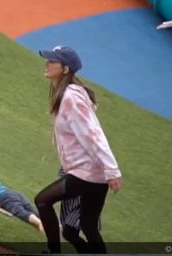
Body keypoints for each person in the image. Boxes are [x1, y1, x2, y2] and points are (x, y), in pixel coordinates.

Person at [34, 46, 121, 254]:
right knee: (88, 226)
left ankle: (53, 251)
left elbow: (94, 135)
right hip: (94, 173)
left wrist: (112, 170)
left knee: (43, 201)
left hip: (87, 172)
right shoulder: (68, 94)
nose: (47, 64)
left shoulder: (71, 98)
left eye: (52, 61)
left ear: (65, 69)